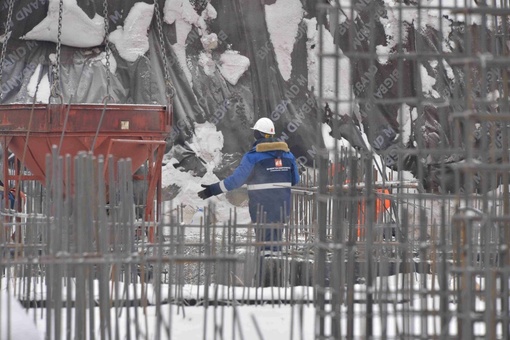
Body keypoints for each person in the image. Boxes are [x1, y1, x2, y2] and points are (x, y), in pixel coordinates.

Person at [198, 117, 300, 254]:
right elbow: (295, 180)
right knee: (276, 241)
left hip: (262, 207)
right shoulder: (288, 155)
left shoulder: (253, 157)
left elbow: (236, 181)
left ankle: (267, 272)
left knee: (265, 245)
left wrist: (212, 189)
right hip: (282, 205)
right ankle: (275, 269)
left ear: (257, 134)